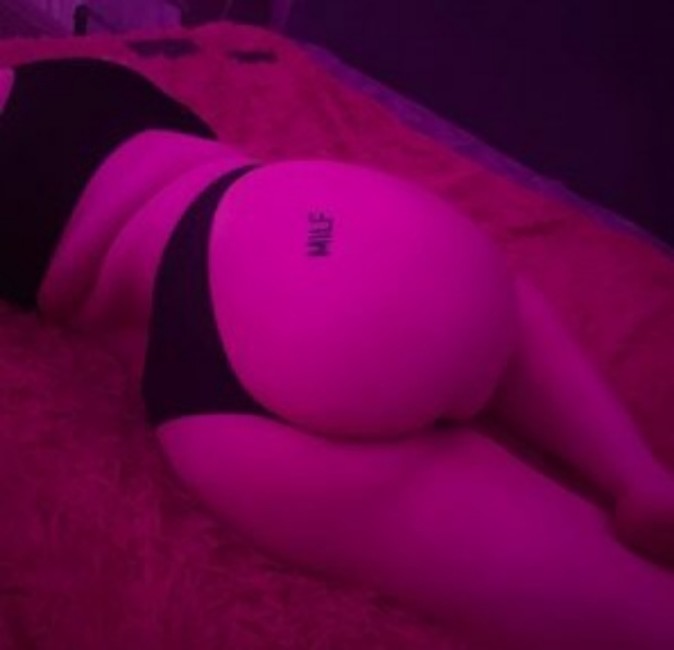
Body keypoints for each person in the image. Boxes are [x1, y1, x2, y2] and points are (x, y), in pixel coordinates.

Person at [2, 58, 674, 649]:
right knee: (490, 300)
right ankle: (634, 472)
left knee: (629, 605)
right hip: (330, 214)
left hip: (221, 343)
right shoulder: (85, 76)